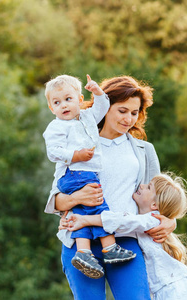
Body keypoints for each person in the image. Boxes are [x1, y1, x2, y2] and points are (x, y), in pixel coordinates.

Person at [44, 75, 176, 299]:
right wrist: (77, 198)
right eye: (122, 111)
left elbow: (160, 199)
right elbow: (55, 200)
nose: (129, 119)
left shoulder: (144, 151)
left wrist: (170, 221)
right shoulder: (76, 145)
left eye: (134, 113)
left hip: (125, 241)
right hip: (80, 242)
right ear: (104, 106)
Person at [43, 74, 136, 280]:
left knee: (84, 209)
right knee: (98, 203)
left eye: (68, 99)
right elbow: (53, 152)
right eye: (57, 103)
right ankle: (109, 247)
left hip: (84, 172)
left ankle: (83, 252)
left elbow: (101, 108)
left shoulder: (86, 117)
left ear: (79, 99)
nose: (64, 106)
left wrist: (97, 91)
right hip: (75, 173)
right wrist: (76, 155)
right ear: (51, 108)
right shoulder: (57, 126)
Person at [63, 172, 187, 300]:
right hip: (166, 289)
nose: (141, 185)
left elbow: (120, 221)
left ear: (154, 204)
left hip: (176, 290)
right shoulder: (145, 222)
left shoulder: (151, 220)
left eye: (148, 187)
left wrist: (84, 220)